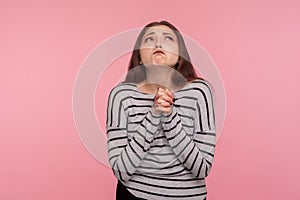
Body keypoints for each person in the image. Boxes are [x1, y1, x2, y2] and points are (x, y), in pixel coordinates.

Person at [106, 21, 216, 200]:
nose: (158, 44)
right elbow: (121, 170)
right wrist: (154, 114)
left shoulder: (199, 92)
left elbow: (202, 168)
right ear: (139, 57)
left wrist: (169, 116)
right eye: (149, 39)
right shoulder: (121, 95)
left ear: (180, 56)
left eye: (168, 38)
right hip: (134, 195)